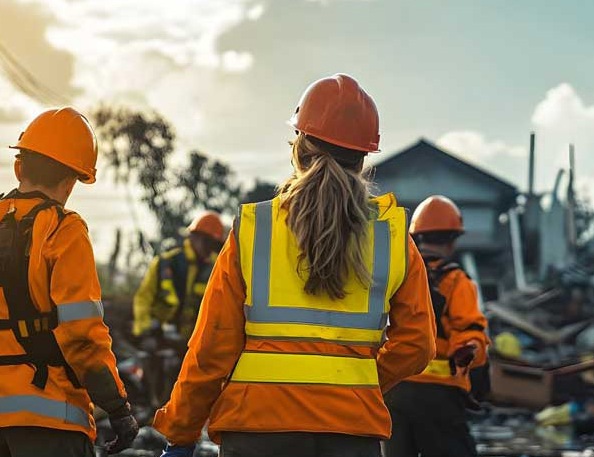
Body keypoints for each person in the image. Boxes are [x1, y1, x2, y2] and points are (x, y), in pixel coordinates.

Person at [153, 74, 436, 457]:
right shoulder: (392, 238)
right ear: (363, 158)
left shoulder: (254, 231)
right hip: (351, 432)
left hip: (257, 428)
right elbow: (418, 345)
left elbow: (213, 346)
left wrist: (182, 431)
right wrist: (358, 385)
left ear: (300, 148)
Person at [0, 107, 138, 456]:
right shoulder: (63, 229)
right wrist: (118, 408)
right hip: (50, 424)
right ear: (72, 179)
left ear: (18, 167)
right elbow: (81, 336)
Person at [384, 195, 490, 457]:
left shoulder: (396, 274)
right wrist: (472, 354)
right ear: (453, 241)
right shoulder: (456, 281)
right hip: (439, 395)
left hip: (394, 389)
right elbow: (469, 335)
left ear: (417, 237)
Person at [132, 212, 225, 342]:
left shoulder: (218, 269)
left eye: (215, 245)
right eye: (208, 242)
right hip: (161, 339)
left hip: (196, 343)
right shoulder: (165, 263)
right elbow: (143, 298)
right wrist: (146, 331)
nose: (211, 248)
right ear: (194, 237)